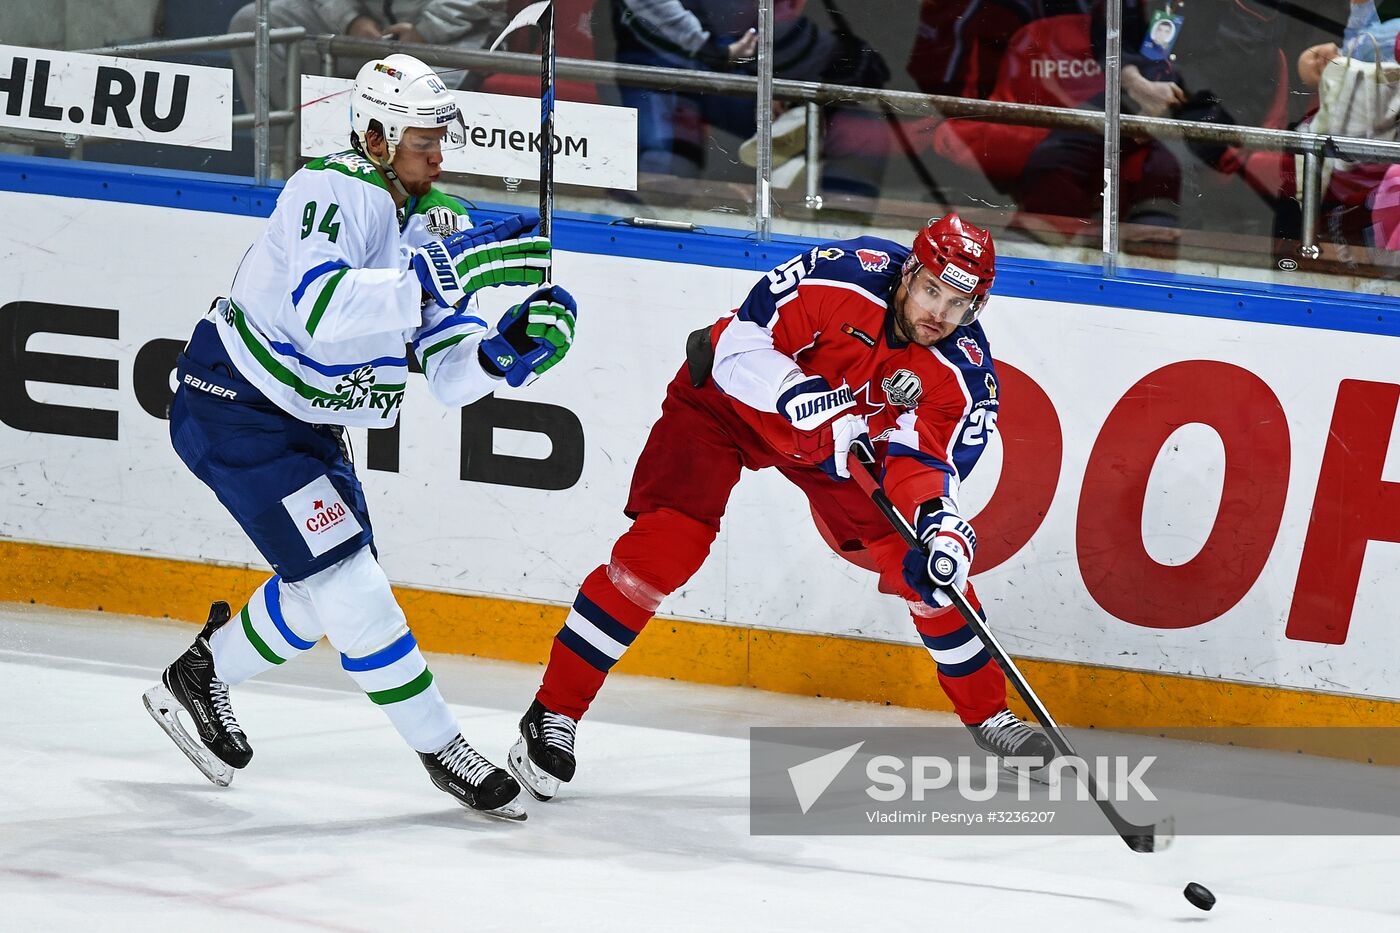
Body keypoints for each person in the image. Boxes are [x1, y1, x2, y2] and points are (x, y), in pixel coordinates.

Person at [143, 53, 577, 822]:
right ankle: (443, 747)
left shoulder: (438, 219)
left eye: (441, 139)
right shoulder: (331, 186)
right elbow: (321, 307)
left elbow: (447, 371)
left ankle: (201, 673)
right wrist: (452, 268)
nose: (437, 156)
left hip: (309, 422)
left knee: (323, 596)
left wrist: (505, 354)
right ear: (374, 136)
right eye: (421, 140)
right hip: (235, 402)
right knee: (352, 586)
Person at [506, 214, 1054, 802]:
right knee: (661, 552)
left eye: (959, 304)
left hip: (832, 447)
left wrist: (941, 533)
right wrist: (794, 392)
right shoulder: (842, 276)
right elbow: (740, 345)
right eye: (931, 292)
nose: (938, 315)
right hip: (724, 408)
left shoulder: (962, 371)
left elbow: (925, 465)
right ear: (908, 273)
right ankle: (552, 714)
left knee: (930, 572)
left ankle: (989, 716)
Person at [228, 0, 508, 112]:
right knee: (254, 22)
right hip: (367, 26)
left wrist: (426, 31)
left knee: (429, 108)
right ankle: (287, 155)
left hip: (454, 34)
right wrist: (351, 19)